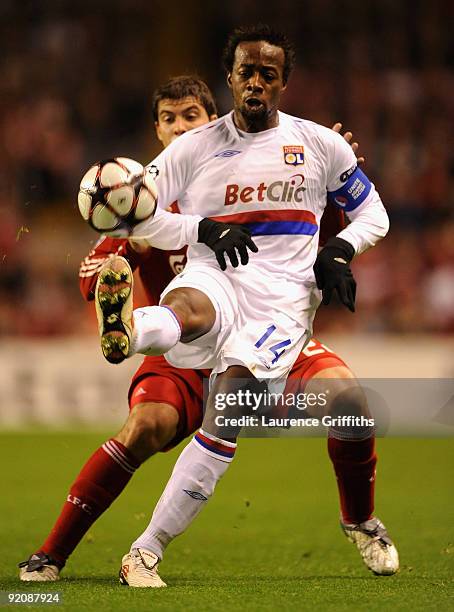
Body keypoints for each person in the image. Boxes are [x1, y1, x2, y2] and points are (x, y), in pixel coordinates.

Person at [18, 47, 393, 583]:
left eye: (190, 116)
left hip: (262, 326)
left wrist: (333, 176)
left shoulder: (239, 169)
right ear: (157, 130)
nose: (179, 127)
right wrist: (110, 278)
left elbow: (314, 219)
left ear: (211, 117)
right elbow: (96, 268)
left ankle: (361, 520)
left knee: (352, 405)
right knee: (146, 425)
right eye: (168, 119)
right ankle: (51, 555)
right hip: (183, 354)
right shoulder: (141, 201)